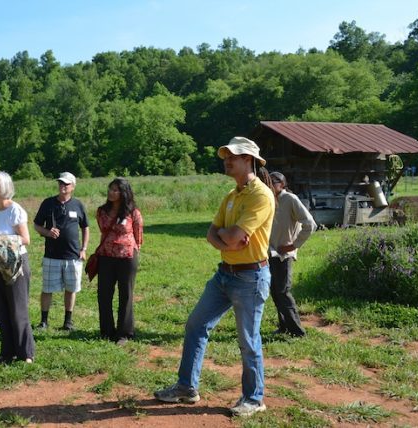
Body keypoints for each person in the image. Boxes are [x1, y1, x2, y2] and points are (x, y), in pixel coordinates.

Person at [154, 137, 275, 417]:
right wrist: (227, 240)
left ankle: (254, 399)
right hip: (224, 275)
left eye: (233, 156)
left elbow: (229, 235)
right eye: (226, 156)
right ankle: (186, 388)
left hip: (250, 277)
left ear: (249, 160)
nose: (227, 160)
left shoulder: (261, 195)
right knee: (196, 325)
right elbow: (214, 234)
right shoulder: (232, 196)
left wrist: (226, 237)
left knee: (248, 339)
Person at [0, 172, 35, 364]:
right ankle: (7, 353)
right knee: (2, 310)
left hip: (14, 267)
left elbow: (25, 239)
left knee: (17, 310)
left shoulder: (15, 210)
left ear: (3, 188)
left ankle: (25, 354)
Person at [33, 172, 89, 331]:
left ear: (73, 186)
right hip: (52, 255)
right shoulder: (48, 203)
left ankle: (68, 321)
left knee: (71, 289)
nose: (63, 186)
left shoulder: (78, 205)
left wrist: (83, 249)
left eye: (66, 184)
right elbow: (36, 225)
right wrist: (47, 232)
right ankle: (44, 321)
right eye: (60, 183)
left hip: (73, 255)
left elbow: (85, 227)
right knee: (47, 289)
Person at [95, 178, 143, 345]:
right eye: (110, 189)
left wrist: (135, 252)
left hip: (127, 257)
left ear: (124, 193)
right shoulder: (101, 211)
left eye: (116, 190)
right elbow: (102, 230)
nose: (111, 192)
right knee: (104, 294)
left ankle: (124, 333)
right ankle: (107, 331)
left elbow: (138, 236)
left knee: (126, 294)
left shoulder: (133, 212)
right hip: (106, 256)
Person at [268, 172, 317, 337]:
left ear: (282, 184)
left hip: (283, 254)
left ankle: (297, 331)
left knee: (283, 292)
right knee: (275, 292)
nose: (270, 185)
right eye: (268, 181)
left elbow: (310, 224)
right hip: (269, 253)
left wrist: (293, 246)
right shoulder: (268, 200)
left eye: (274, 182)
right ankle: (284, 327)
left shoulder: (290, 199)